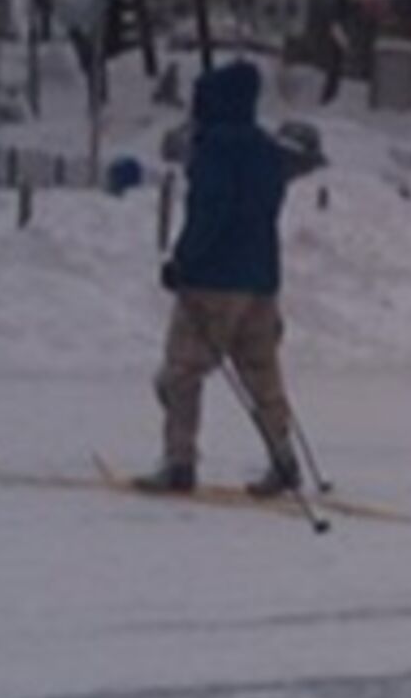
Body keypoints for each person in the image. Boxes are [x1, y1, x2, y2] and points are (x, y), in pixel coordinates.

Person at [135, 61, 317, 498]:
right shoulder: (268, 150)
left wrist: (183, 260)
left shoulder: (214, 148)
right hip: (261, 279)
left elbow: (209, 212)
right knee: (261, 373)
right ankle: (284, 459)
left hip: (212, 279)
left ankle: (179, 462)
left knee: (181, 373)